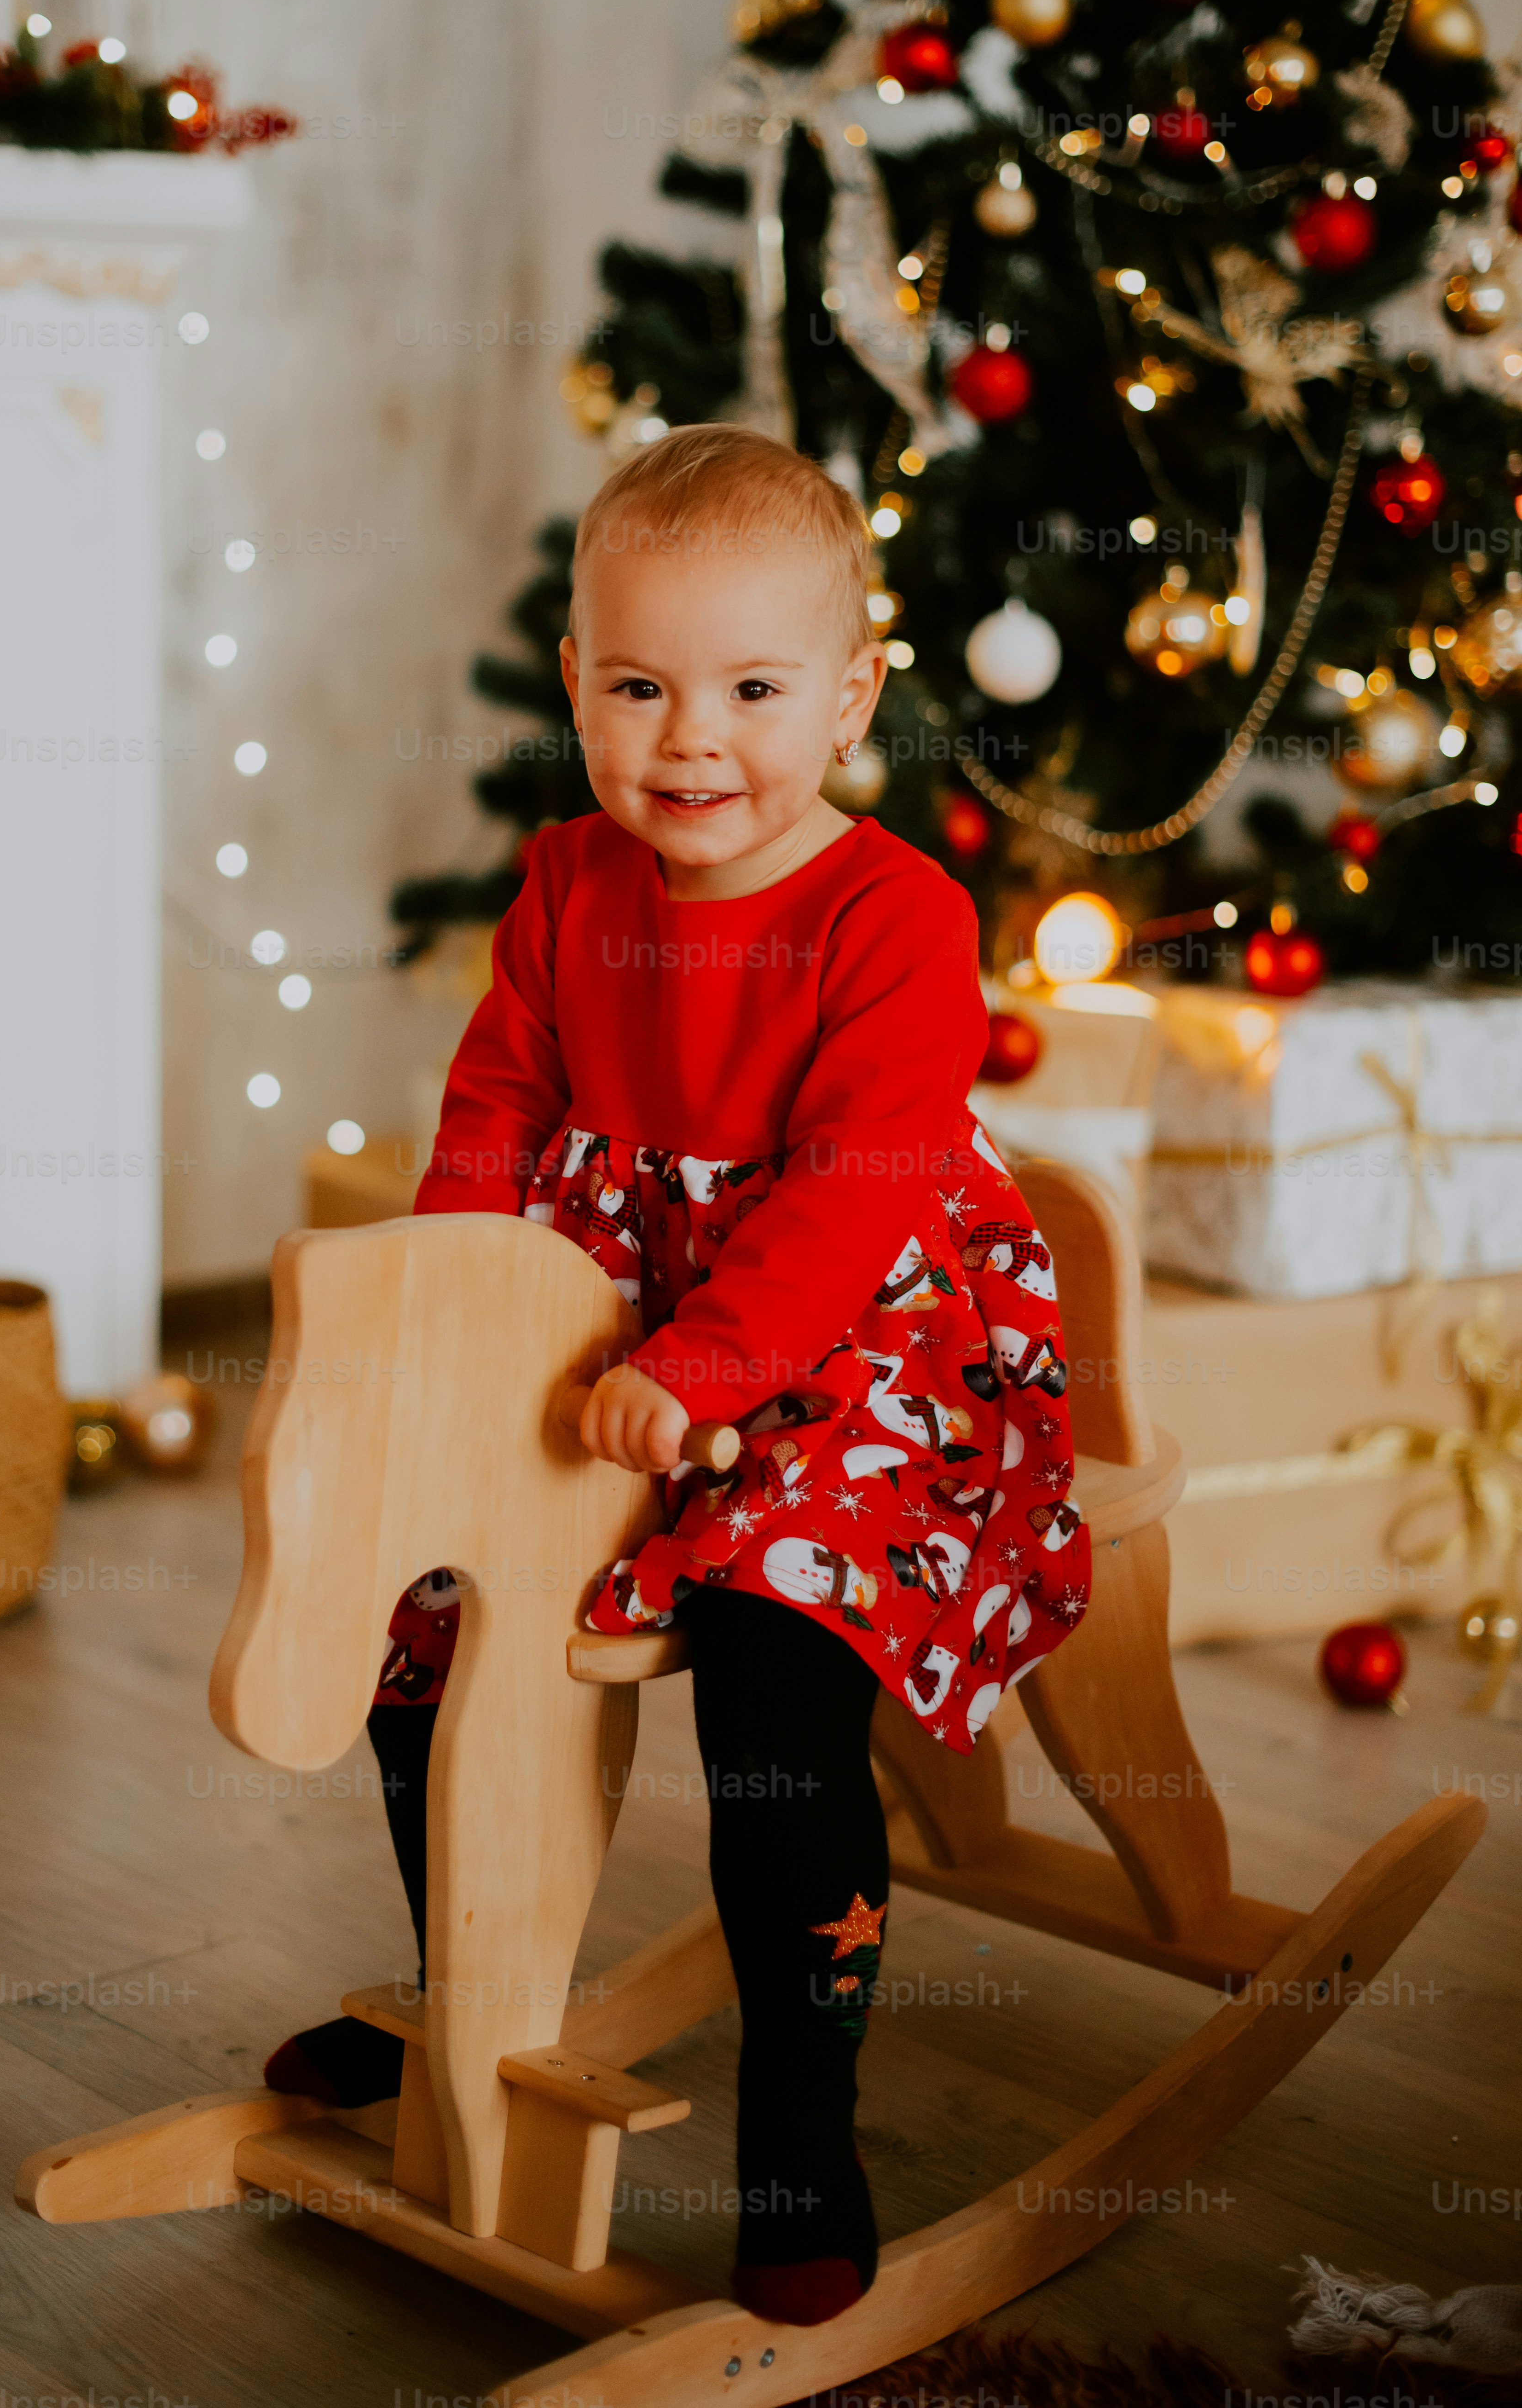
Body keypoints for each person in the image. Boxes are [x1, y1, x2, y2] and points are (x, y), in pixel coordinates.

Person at [265, 424, 1087, 2327]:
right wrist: (445, 1323)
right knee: (424, 1625)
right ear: (577, 682)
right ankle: (467, 2000)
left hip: (861, 1344)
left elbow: (855, 1191)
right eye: (637, 686)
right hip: (605, 1334)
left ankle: (803, 2125)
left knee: (774, 1666)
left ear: (853, 693)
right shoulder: (567, 886)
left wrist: (714, 1362)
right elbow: (493, 1117)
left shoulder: (891, 918)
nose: (688, 737)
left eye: (748, 688)